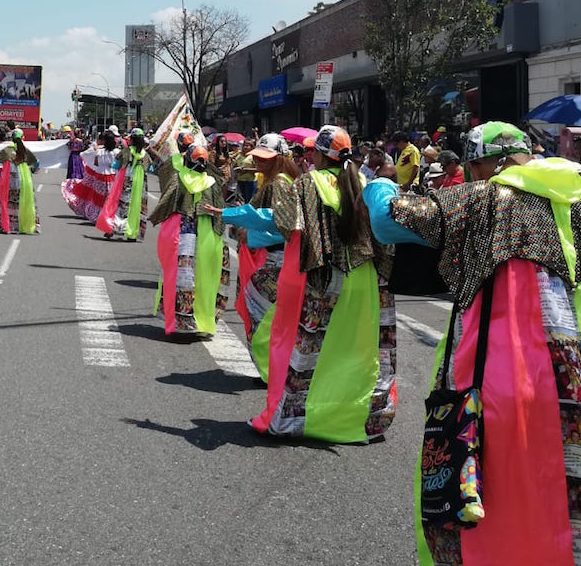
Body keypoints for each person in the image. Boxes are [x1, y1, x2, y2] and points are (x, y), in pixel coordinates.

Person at [364, 122, 581, 566]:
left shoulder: (482, 199)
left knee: (495, 503)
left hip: (502, 392)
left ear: (483, 163)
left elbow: (389, 219)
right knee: (575, 499)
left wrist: (379, 183)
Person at [245, 125, 396, 443]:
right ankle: (359, 418)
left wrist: (236, 215)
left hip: (325, 278)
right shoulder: (364, 182)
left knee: (311, 351)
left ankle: (295, 420)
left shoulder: (306, 183)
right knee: (357, 350)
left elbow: (284, 223)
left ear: (318, 154)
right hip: (364, 276)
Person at [206, 132, 299, 381]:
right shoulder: (278, 180)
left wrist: (250, 234)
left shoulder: (279, 183)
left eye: (265, 158)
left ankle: (272, 370)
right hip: (274, 258)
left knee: (262, 313)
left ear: (280, 159)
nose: (259, 161)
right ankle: (274, 369)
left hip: (275, 258)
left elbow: (283, 226)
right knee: (267, 314)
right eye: (257, 156)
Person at [149, 138, 230, 340]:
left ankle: (180, 321)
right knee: (206, 278)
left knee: (180, 275)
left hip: (183, 233)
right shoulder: (212, 182)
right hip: (208, 234)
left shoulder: (178, 177)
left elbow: (165, 203)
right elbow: (220, 214)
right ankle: (202, 321)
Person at [97, 127, 149, 241]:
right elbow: (150, 168)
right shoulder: (145, 154)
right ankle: (132, 233)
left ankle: (111, 228)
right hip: (140, 183)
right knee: (136, 206)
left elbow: (115, 165)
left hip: (125, 180)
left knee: (118, 204)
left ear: (132, 140)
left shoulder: (126, 151)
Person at [61, 129, 119, 222]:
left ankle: (97, 215)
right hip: (111, 175)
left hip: (99, 175)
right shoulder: (116, 152)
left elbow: (91, 160)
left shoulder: (99, 151)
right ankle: (107, 217)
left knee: (97, 197)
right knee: (109, 197)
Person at [0, 128, 41, 234]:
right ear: (22, 137)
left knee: (7, 203)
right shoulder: (25, 150)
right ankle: (28, 225)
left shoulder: (7, 150)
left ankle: (8, 226)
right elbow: (36, 163)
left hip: (9, 182)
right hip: (24, 182)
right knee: (25, 203)